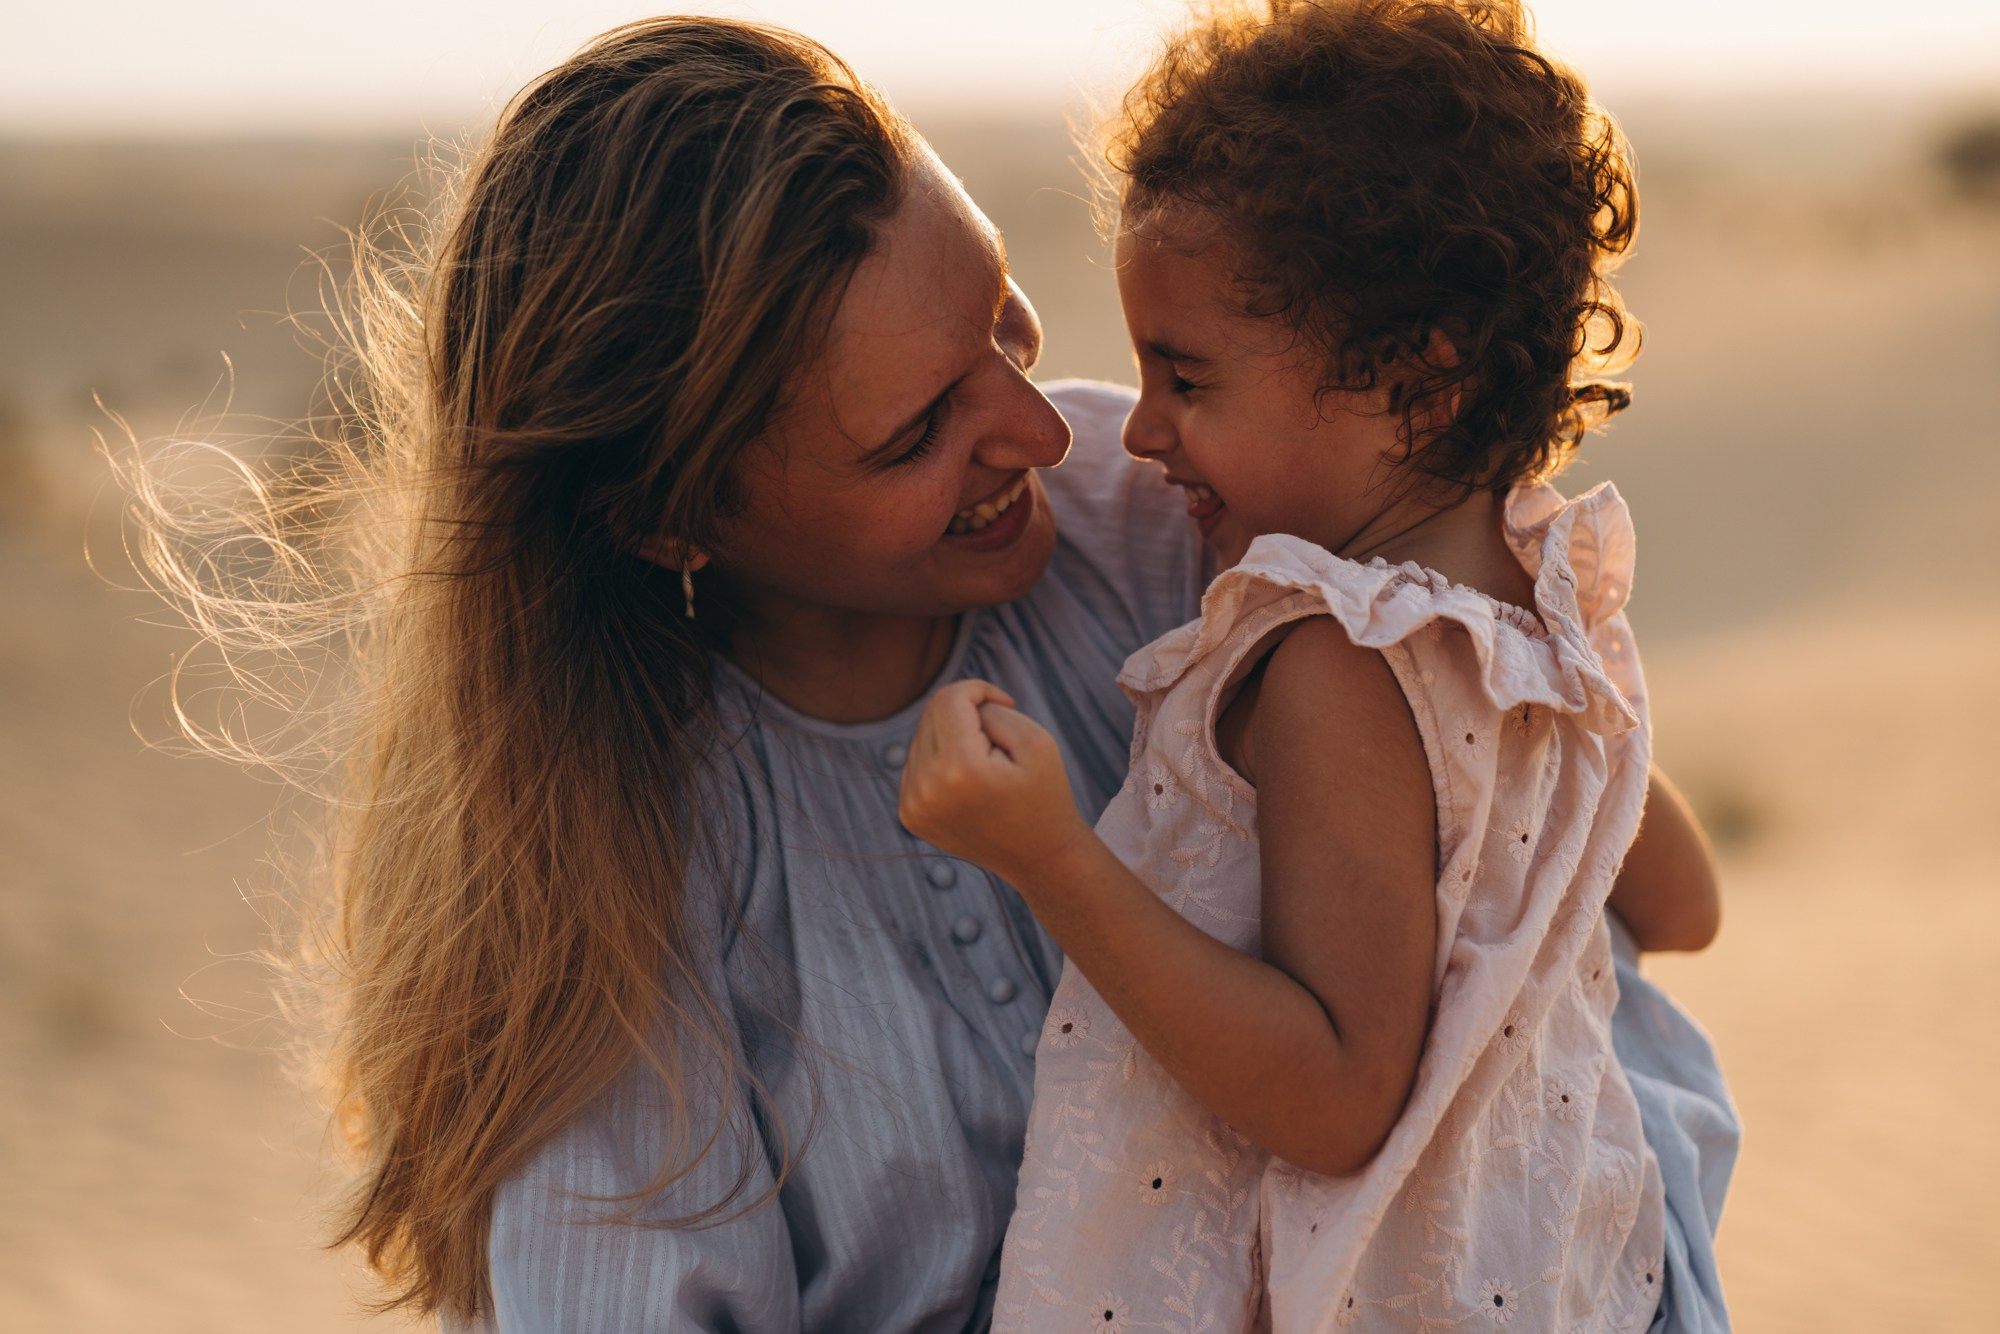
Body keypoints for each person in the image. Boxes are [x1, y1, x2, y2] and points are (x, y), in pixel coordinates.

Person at [125, 14, 1731, 1332]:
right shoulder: (623, 917)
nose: (1054, 430)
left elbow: (1572, 973)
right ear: (671, 515)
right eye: (914, 433)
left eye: (1011, 334)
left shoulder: (1216, 515)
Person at [898, 2, 1733, 1330]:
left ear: (1421, 386)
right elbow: (1682, 904)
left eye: (1186, 377)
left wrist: (1051, 857)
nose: (1147, 430)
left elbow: (1337, 1099)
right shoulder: (1543, 604)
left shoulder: (1337, 655)